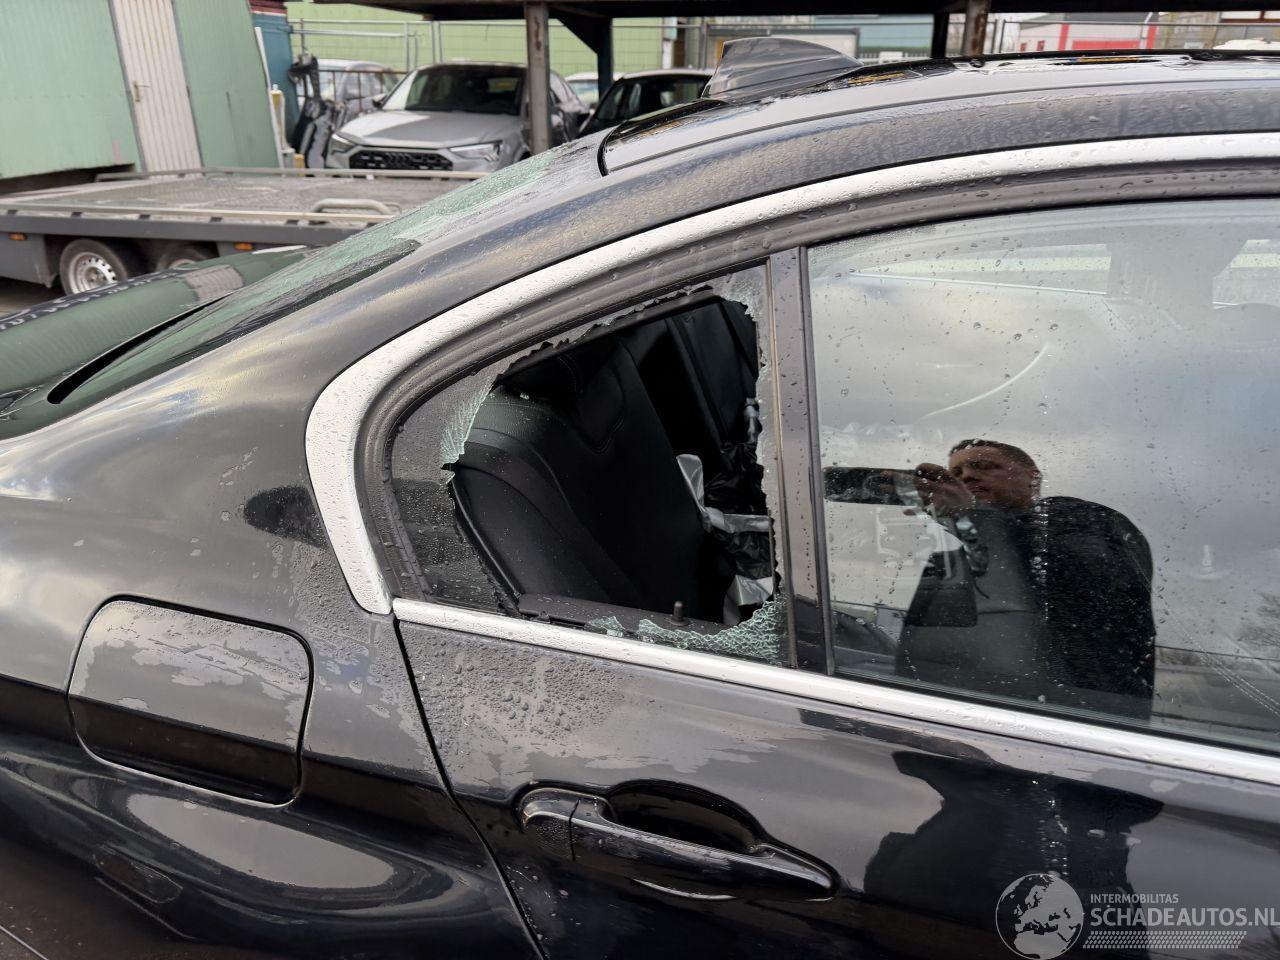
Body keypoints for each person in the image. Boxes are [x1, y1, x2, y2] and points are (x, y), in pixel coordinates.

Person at [906, 439, 1156, 719]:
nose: (967, 477)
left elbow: (1086, 581)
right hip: (949, 711)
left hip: (1078, 718)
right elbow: (920, 642)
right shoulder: (956, 556)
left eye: (983, 466)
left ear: (1033, 478)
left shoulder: (1084, 518)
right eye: (956, 474)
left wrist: (971, 517)